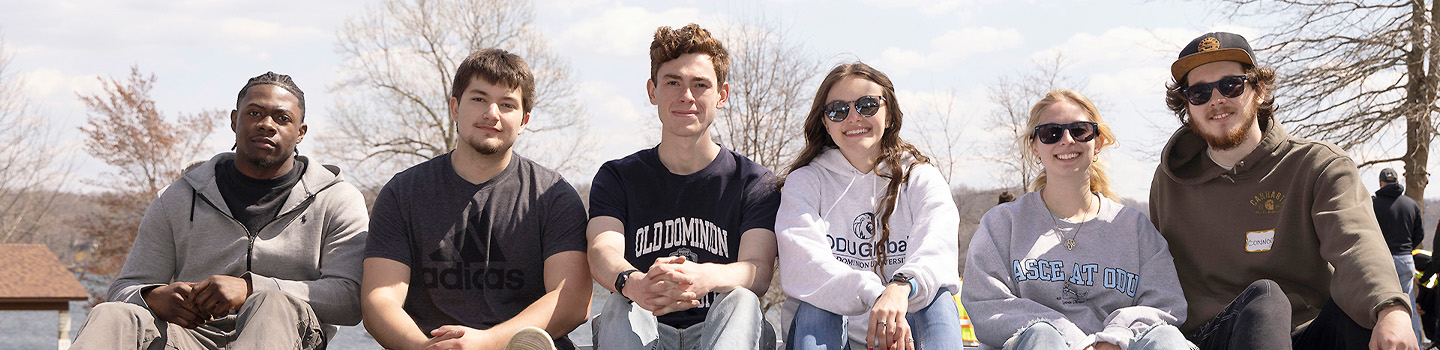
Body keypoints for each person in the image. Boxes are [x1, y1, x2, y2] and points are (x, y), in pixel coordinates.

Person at [1151, 32, 1416, 350]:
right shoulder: (1170, 183)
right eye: (1199, 92)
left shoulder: (1317, 165)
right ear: (1188, 105)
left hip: (1305, 331)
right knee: (1265, 298)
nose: (1216, 100)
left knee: (1362, 319)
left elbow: (1355, 245)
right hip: (1211, 337)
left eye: (1231, 85)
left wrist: (1391, 309)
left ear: (1259, 90)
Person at [69, 72, 369, 349]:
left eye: (282, 118)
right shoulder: (177, 197)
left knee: (272, 303)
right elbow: (124, 288)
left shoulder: (336, 199)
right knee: (112, 315)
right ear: (234, 120)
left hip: (289, 335)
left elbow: (350, 299)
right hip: (188, 337)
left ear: (300, 132)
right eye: (255, 113)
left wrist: (251, 288)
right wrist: (151, 297)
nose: (267, 124)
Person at [360, 48, 591, 350]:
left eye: (507, 104)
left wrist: (486, 343)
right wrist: (424, 348)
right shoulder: (403, 193)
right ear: (455, 108)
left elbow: (572, 299)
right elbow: (379, 299)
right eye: (479, 99)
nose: (492, 113)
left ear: (524, 120)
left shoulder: (554, 196)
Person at [586, 23, 780, 349]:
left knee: (742, 301)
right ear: (652, 91)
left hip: (719, 333)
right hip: (645, 332)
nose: (686, 96)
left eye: (700, 84)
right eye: (673, 82)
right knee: (620, 304)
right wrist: (634, 282)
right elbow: (602, 250)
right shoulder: (617, 176)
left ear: (722, 95)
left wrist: (705, 277)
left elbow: (758, 271)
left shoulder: (754, 181)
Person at [962, 90, 1190, 350]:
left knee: (1167, 339)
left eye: (1080, 130)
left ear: (1098, 141)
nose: (1067, 140)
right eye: (1051, 132)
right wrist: (1067, 335)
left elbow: (1165, 302)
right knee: (1042, 337)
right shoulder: (1003, 225)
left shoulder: (1134, 228)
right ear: (1035, 146)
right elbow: (986, 304)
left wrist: (1114, 337)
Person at [775, 62, 964, 350]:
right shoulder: (806, 182)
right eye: (838, 110)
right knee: (818, 305)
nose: (853, 117)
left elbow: (937, 249)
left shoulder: (919, 177)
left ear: (888, 115)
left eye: (867, 105)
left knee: (936, 299)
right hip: (832, 338)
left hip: (903, 337)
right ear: (825, 122)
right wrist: (876, 294)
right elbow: (805, 266)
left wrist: (900, 287)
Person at [1374, 167, 1427, 345]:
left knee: (1380, 306)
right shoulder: (1411, 204)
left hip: (1380, 261)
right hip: (1405, 261)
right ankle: (1416, 346)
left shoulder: (1372, 204)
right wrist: (1406, 250)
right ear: (1397, 182)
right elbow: (1419, 234)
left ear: (1381, 183)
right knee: (1407, 306)